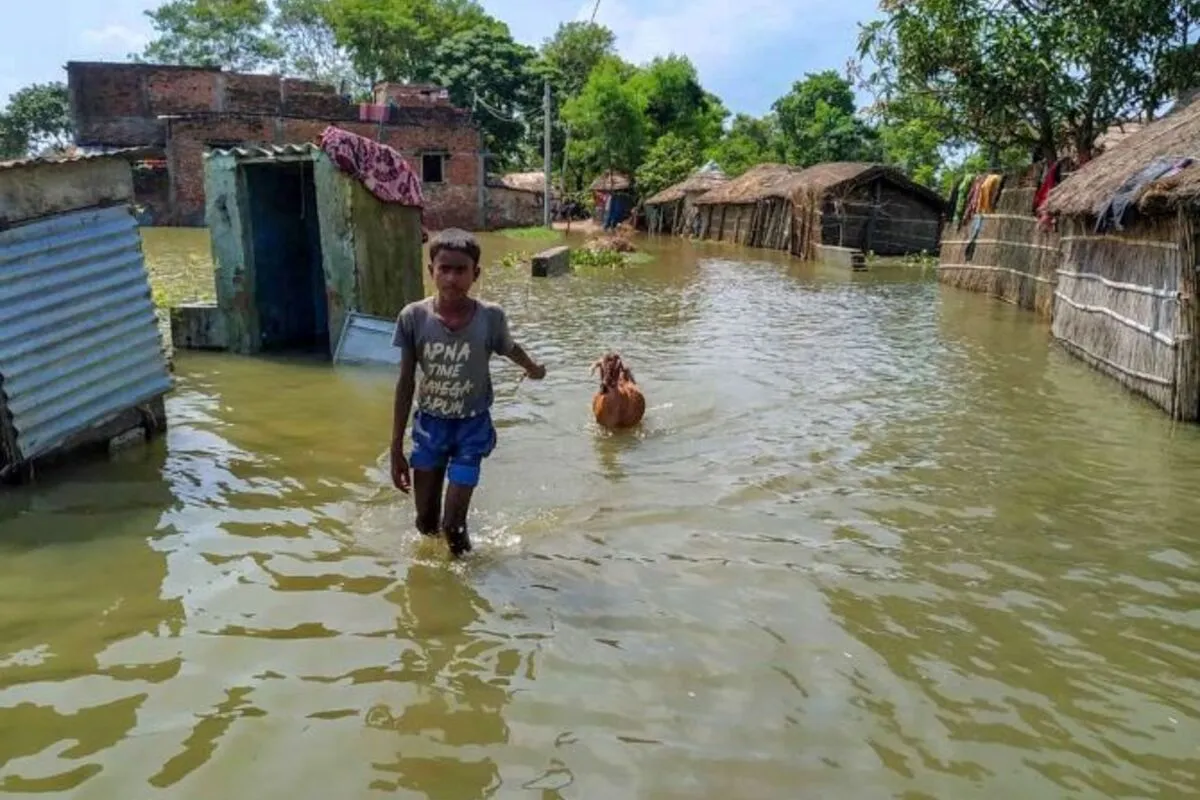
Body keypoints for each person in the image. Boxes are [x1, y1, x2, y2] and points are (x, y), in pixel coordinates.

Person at [389, 228, 546, 556]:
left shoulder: (490, 317)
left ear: (476, 274)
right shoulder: (413, 317)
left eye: (460, 270)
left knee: (453, 528)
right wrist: (395, 448)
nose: (451, 278)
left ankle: (462, 588)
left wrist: (532, 367)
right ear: (430, 271)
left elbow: (508, 347)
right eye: (443, 269)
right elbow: (405, 382)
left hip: (472, 428)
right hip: (430, 427)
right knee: (425, 523)